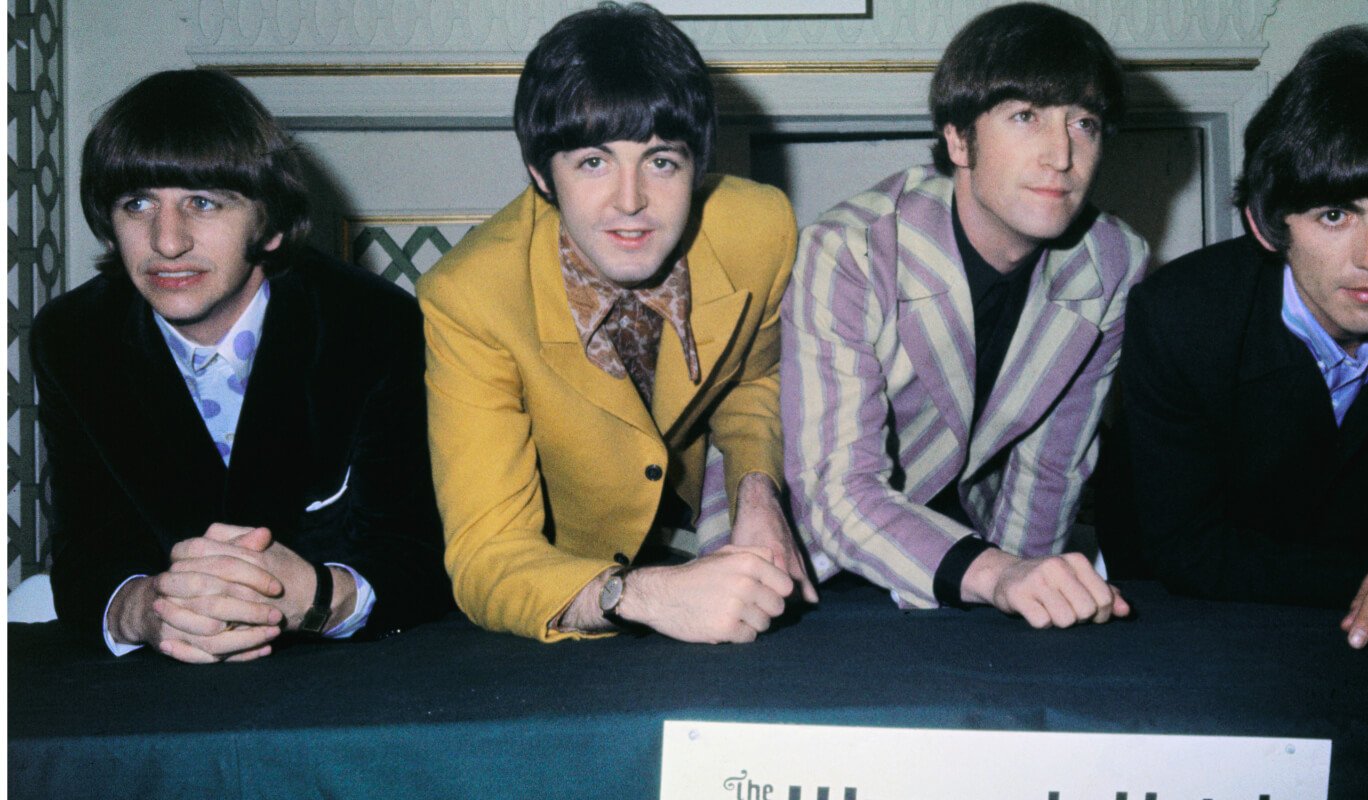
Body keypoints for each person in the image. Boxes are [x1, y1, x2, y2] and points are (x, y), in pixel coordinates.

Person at [1104, 26, 1368, 650]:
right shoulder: (1180, 318)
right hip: (1192, 630)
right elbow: (1186, 551)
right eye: (1335, 215)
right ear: (1266, 225)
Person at [419, 2, 809, 644]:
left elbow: (753, 381)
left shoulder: (761, 228)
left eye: (661, 161)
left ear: (697, 166)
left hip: (702, 537)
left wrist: (758, 491)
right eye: (594, 163)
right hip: (572, 592)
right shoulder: (469, 298)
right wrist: (635, 595)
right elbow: (487, 553)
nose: (631, 202)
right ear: (542, 174)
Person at [33, 69, 453, 663]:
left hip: (341, 671)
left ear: (271, 225)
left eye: (202, 202)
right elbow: (85, 554)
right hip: (164, 678)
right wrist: (146, 609)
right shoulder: (73, 338)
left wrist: (315, 597)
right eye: (138, 203)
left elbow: (416, 553)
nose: (167, 241)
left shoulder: (373, 323)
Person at [782, 3, 1147, 627]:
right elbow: (836, 491)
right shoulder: (851, 249)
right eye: (1026, 116)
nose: (1061, 155)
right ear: (957, 139)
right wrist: (998, 575)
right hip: (816, 568)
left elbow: (1051, 468)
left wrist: (1028, 592)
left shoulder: (1113, 260)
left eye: (1084, 123)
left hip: (973, 559)